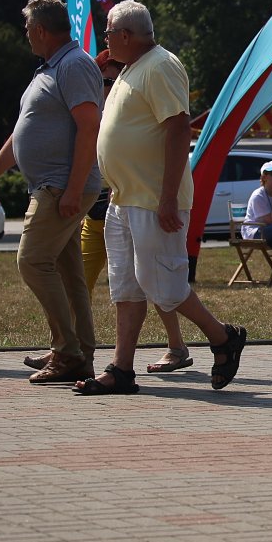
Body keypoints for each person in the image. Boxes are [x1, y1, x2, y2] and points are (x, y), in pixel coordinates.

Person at [74, 1, 246, 395]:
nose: (105, 40)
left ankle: (222, 337)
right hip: (124, 198)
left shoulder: (162, 65)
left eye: (109, 33)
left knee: (164, 286)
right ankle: (121, 369)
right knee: (126, 287)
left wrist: (168, 197)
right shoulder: (130, 68)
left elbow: (178, 128)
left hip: (153, 199)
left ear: (126, 35)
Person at [0, 0, 102, 383]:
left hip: (60, 187)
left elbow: (90, 127)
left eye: (27, 29)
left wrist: (74, 190)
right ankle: (80, 353)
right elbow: (21, 133)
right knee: (68, 271)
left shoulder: (74, 65)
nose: (25, 36)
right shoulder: (50, 68)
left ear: (41, 30)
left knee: (32, 261)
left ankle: (67, 351)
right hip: (55, 186)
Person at [80, 50, 192, 374]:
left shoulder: (144, 86)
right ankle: (71, 347)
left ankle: (186, 343)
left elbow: (176, 130)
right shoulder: (98, 109)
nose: (109, 85)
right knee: (89, 280)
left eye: (113, 79)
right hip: (104, 202)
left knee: (153, 279)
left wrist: (167, 196)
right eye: (104, 80)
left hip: (139, 198)